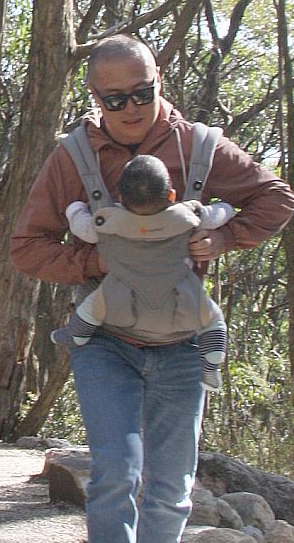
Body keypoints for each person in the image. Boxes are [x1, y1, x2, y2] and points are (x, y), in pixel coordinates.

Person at [10, 34, 294, 543]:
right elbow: (27, 246)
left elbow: (276, 199)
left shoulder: (199, 147)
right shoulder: (73, 156)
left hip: (182, 344)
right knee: (116, 470)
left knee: (170, 486)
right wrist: (93, 259)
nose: (133, 107)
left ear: (158, 80)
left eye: (143, 92)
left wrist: (219, 241)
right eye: (117, 98)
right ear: (96, 98)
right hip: (106, 341)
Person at [51, 153, 235, 391]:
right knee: (214, 320)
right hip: (181, 291)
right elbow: (218, 214)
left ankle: (75, 335)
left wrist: (74, 208)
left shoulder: (111, 220)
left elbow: (83, 228)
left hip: (121, 292)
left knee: (90, 309)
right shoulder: (188, 216)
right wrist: (228, 207)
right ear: (171, 195)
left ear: (120, 198)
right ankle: (210, 367)